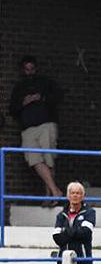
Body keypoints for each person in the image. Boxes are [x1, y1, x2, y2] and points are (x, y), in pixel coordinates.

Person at [9, 55, 63, 201]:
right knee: (34, 159)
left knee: (49, 159)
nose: (30, 72)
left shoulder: (46, 82)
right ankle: (55, 191)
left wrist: (42, 98)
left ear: (36, 68)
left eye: (32, 69)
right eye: (27, 69)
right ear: (22, 70)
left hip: (46, 123)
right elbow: (12, 110)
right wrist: (24, 103)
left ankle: (50, 195)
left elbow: (59, 97)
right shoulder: (18, 88)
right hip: (28, 128)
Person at [53, 182, 95, 264]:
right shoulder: (61, 215)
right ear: (68, 195)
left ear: (83, 196)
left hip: (83, 260)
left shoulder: (89, 213)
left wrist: (66, 232)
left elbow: (86, 233)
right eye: (72, 193)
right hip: (63, 261)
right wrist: (75, 232)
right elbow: (57, 238)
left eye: (78, 193)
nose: (75, 195)